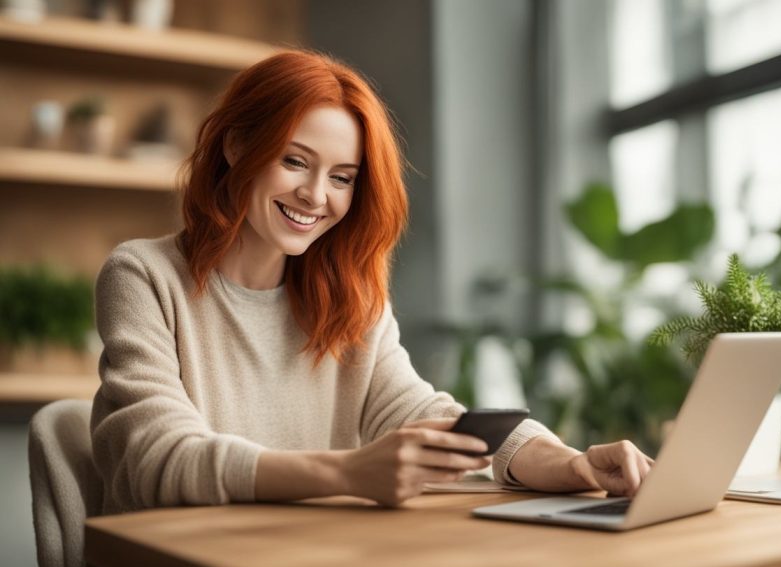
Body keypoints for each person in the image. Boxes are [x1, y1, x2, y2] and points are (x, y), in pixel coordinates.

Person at [90, 49, 653, 514]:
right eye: (294, 161)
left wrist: (568, 463)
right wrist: (349, 470)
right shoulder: (144, 275)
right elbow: (156, 458)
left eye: (342, 177)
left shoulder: (349, 294)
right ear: (237, 147)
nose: (316, 195)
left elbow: (418, 411)